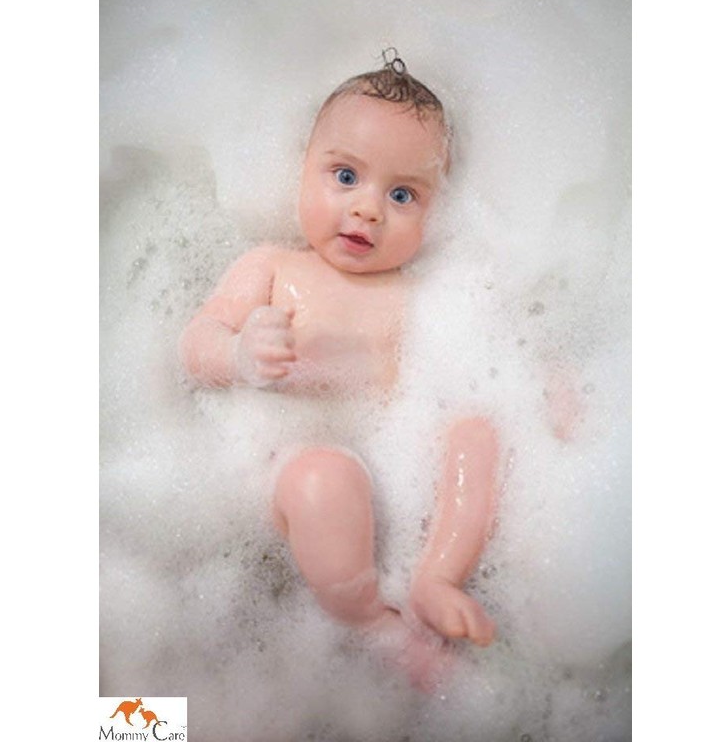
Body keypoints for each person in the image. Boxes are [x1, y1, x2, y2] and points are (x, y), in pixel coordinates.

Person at [180, 51, 499, 689]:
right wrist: (240, 357)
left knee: (478, 433)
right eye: (346, 176)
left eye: (402, 194)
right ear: (301, 168)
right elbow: (196, 343)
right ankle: (367, 620)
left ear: (436, 211)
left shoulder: (423, 295)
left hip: (393, 461)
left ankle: (437, 575)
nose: (369, 209)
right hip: (289, 462)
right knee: (324, 477)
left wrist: (549, 391)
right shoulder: (272, 266)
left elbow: (479, 364)